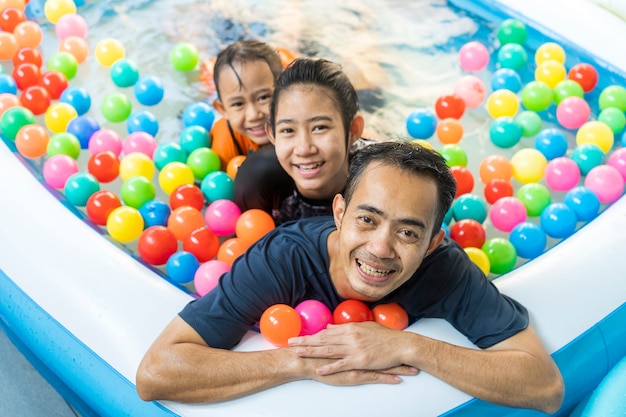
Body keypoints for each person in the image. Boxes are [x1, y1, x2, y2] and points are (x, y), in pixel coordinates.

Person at [136, 141, 564, 413]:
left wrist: (406, 345)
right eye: (367, 219)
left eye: (408, 232)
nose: (381, 247)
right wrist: (301, 362)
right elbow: (155, 373)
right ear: (339, 212)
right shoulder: (285, 258)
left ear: (434, 242)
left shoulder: (445, 269)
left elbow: (545, 387)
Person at [233, 57, 376, 225]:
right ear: (272, 135)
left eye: (319, 127)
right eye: (288, 130)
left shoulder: (381, 177)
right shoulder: (259, 181)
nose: (304, 149)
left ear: (353, 130)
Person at [208, 40, 284, 171]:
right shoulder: (226, 143)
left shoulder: (304, 126)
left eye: (263, 98)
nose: (253, 115)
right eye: (238, 104)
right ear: (223, 109)